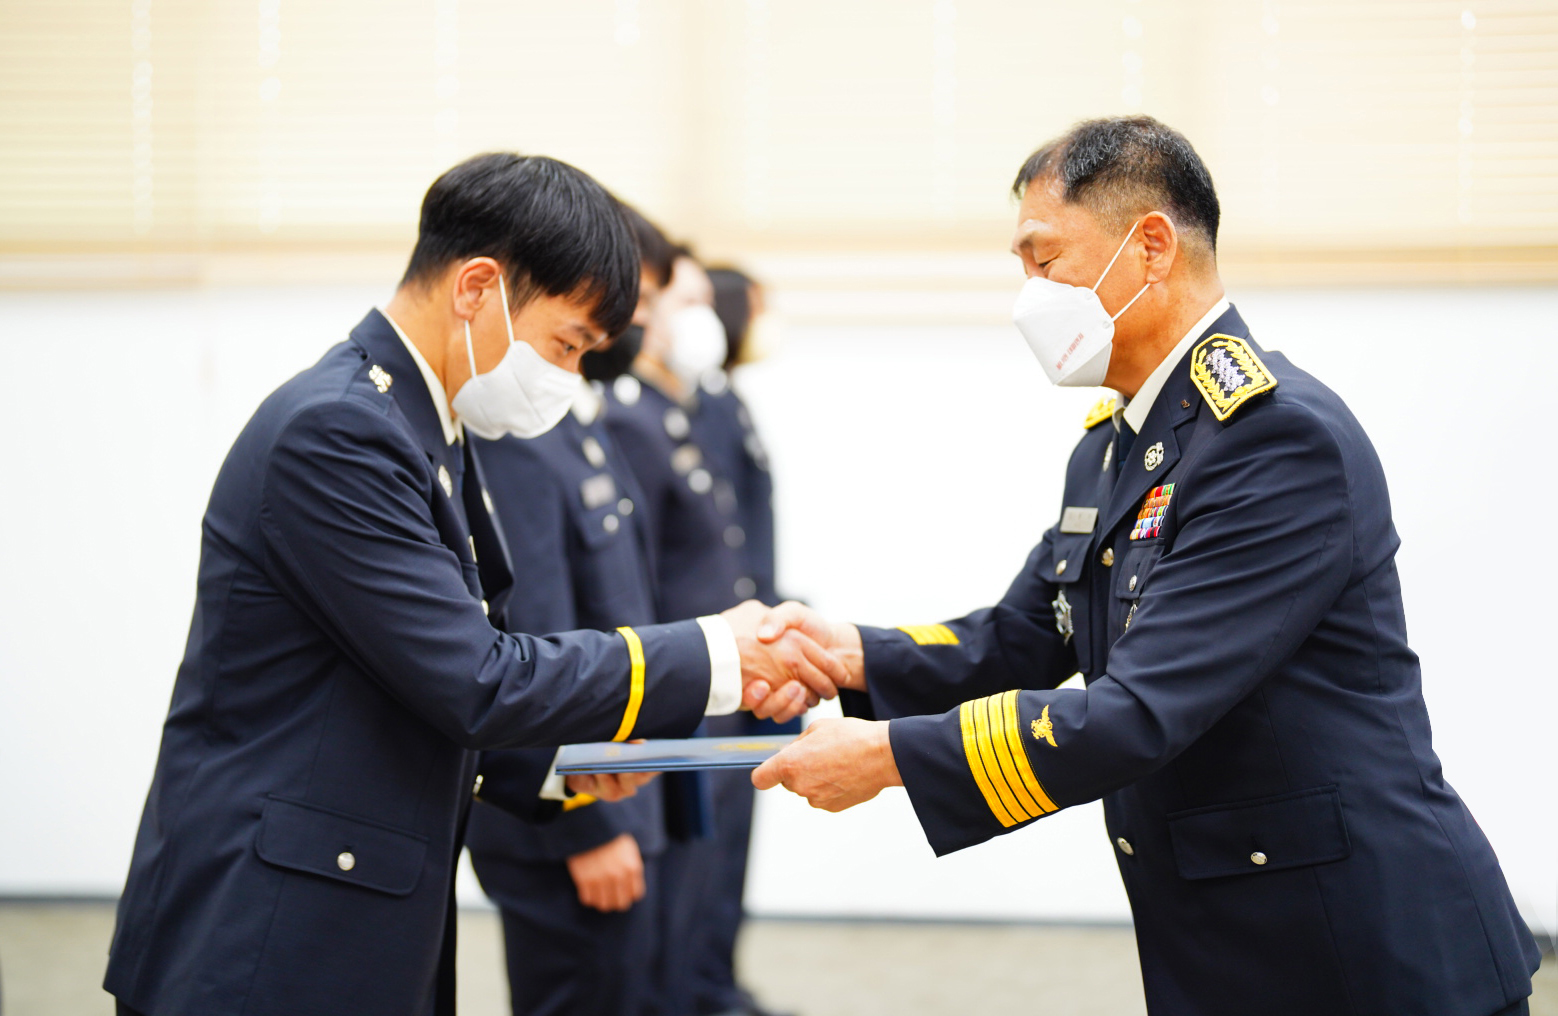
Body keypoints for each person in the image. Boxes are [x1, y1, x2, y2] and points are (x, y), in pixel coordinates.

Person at [751, 117, 1540, 1016]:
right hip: (1231, 938)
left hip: (1363, 948)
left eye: (1045, 260)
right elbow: (1023, 636)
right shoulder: (1113, 445)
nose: (1029, 294)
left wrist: (891, 756)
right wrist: (848, 653)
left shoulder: (1274, 440)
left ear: (1151, 247)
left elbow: (1138, 711)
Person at [102, 153, 843, 1016]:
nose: (570, 377)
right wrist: (717, 652)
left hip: (347, 898)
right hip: (267, 929)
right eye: (566, 345)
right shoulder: (341, 432)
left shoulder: (424, 425)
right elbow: (477, 676)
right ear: (478, 288)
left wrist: (559, 773)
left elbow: (410, 681)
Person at [463, 205, 681, 1016]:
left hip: (610, 793)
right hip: (562, 818)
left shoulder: (577, 424)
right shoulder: (519, 430)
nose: (637, 319)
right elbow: (534, 637)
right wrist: (584, 829)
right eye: (634, 299)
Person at [602, 249, 780, 1016]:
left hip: (732, 668)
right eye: (687, 301)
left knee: (718, 857)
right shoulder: (630, 417)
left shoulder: (692, 405)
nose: (703, 318)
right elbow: (633, 581)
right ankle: (687, 993)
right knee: (682, 873)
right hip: (687, 674)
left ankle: (709, 988)